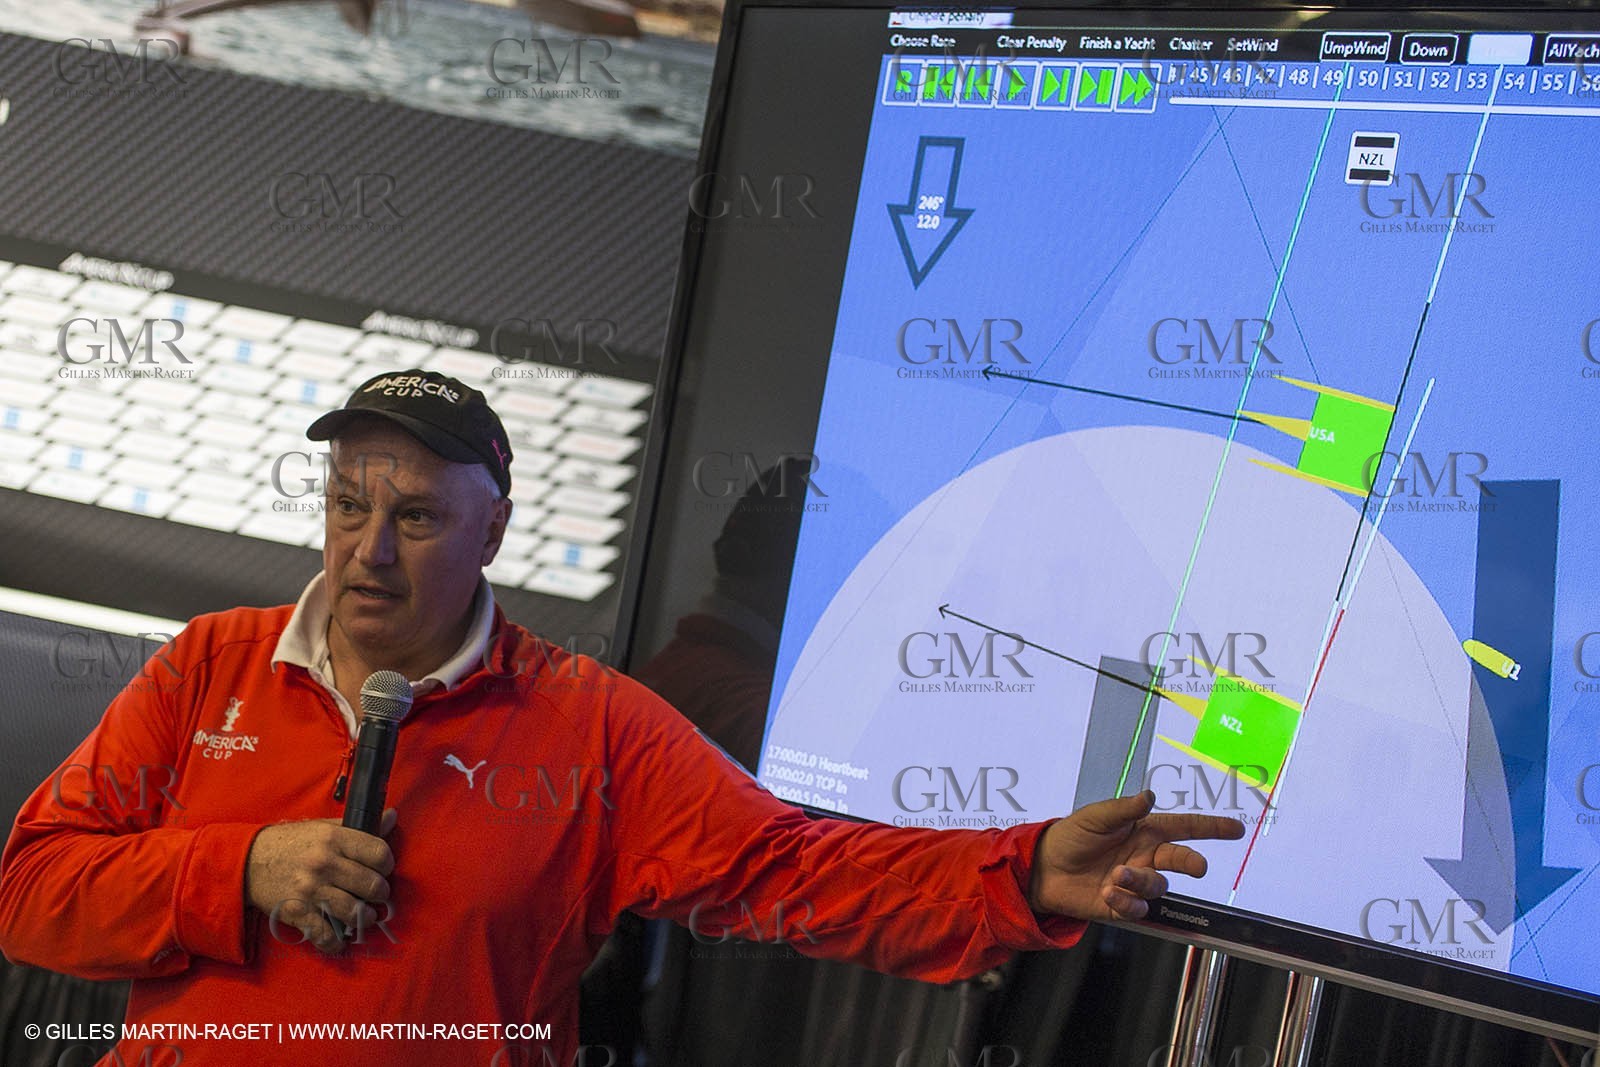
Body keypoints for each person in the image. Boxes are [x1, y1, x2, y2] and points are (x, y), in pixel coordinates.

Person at [0, 370, 1244, 1067]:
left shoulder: (588, 722)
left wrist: (1019, 867)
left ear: (492, 527)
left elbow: (791, 868)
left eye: (417, 517)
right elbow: (36, 889)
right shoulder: (211, 664)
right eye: (345, 504)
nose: (368, 549)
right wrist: (242, 866)